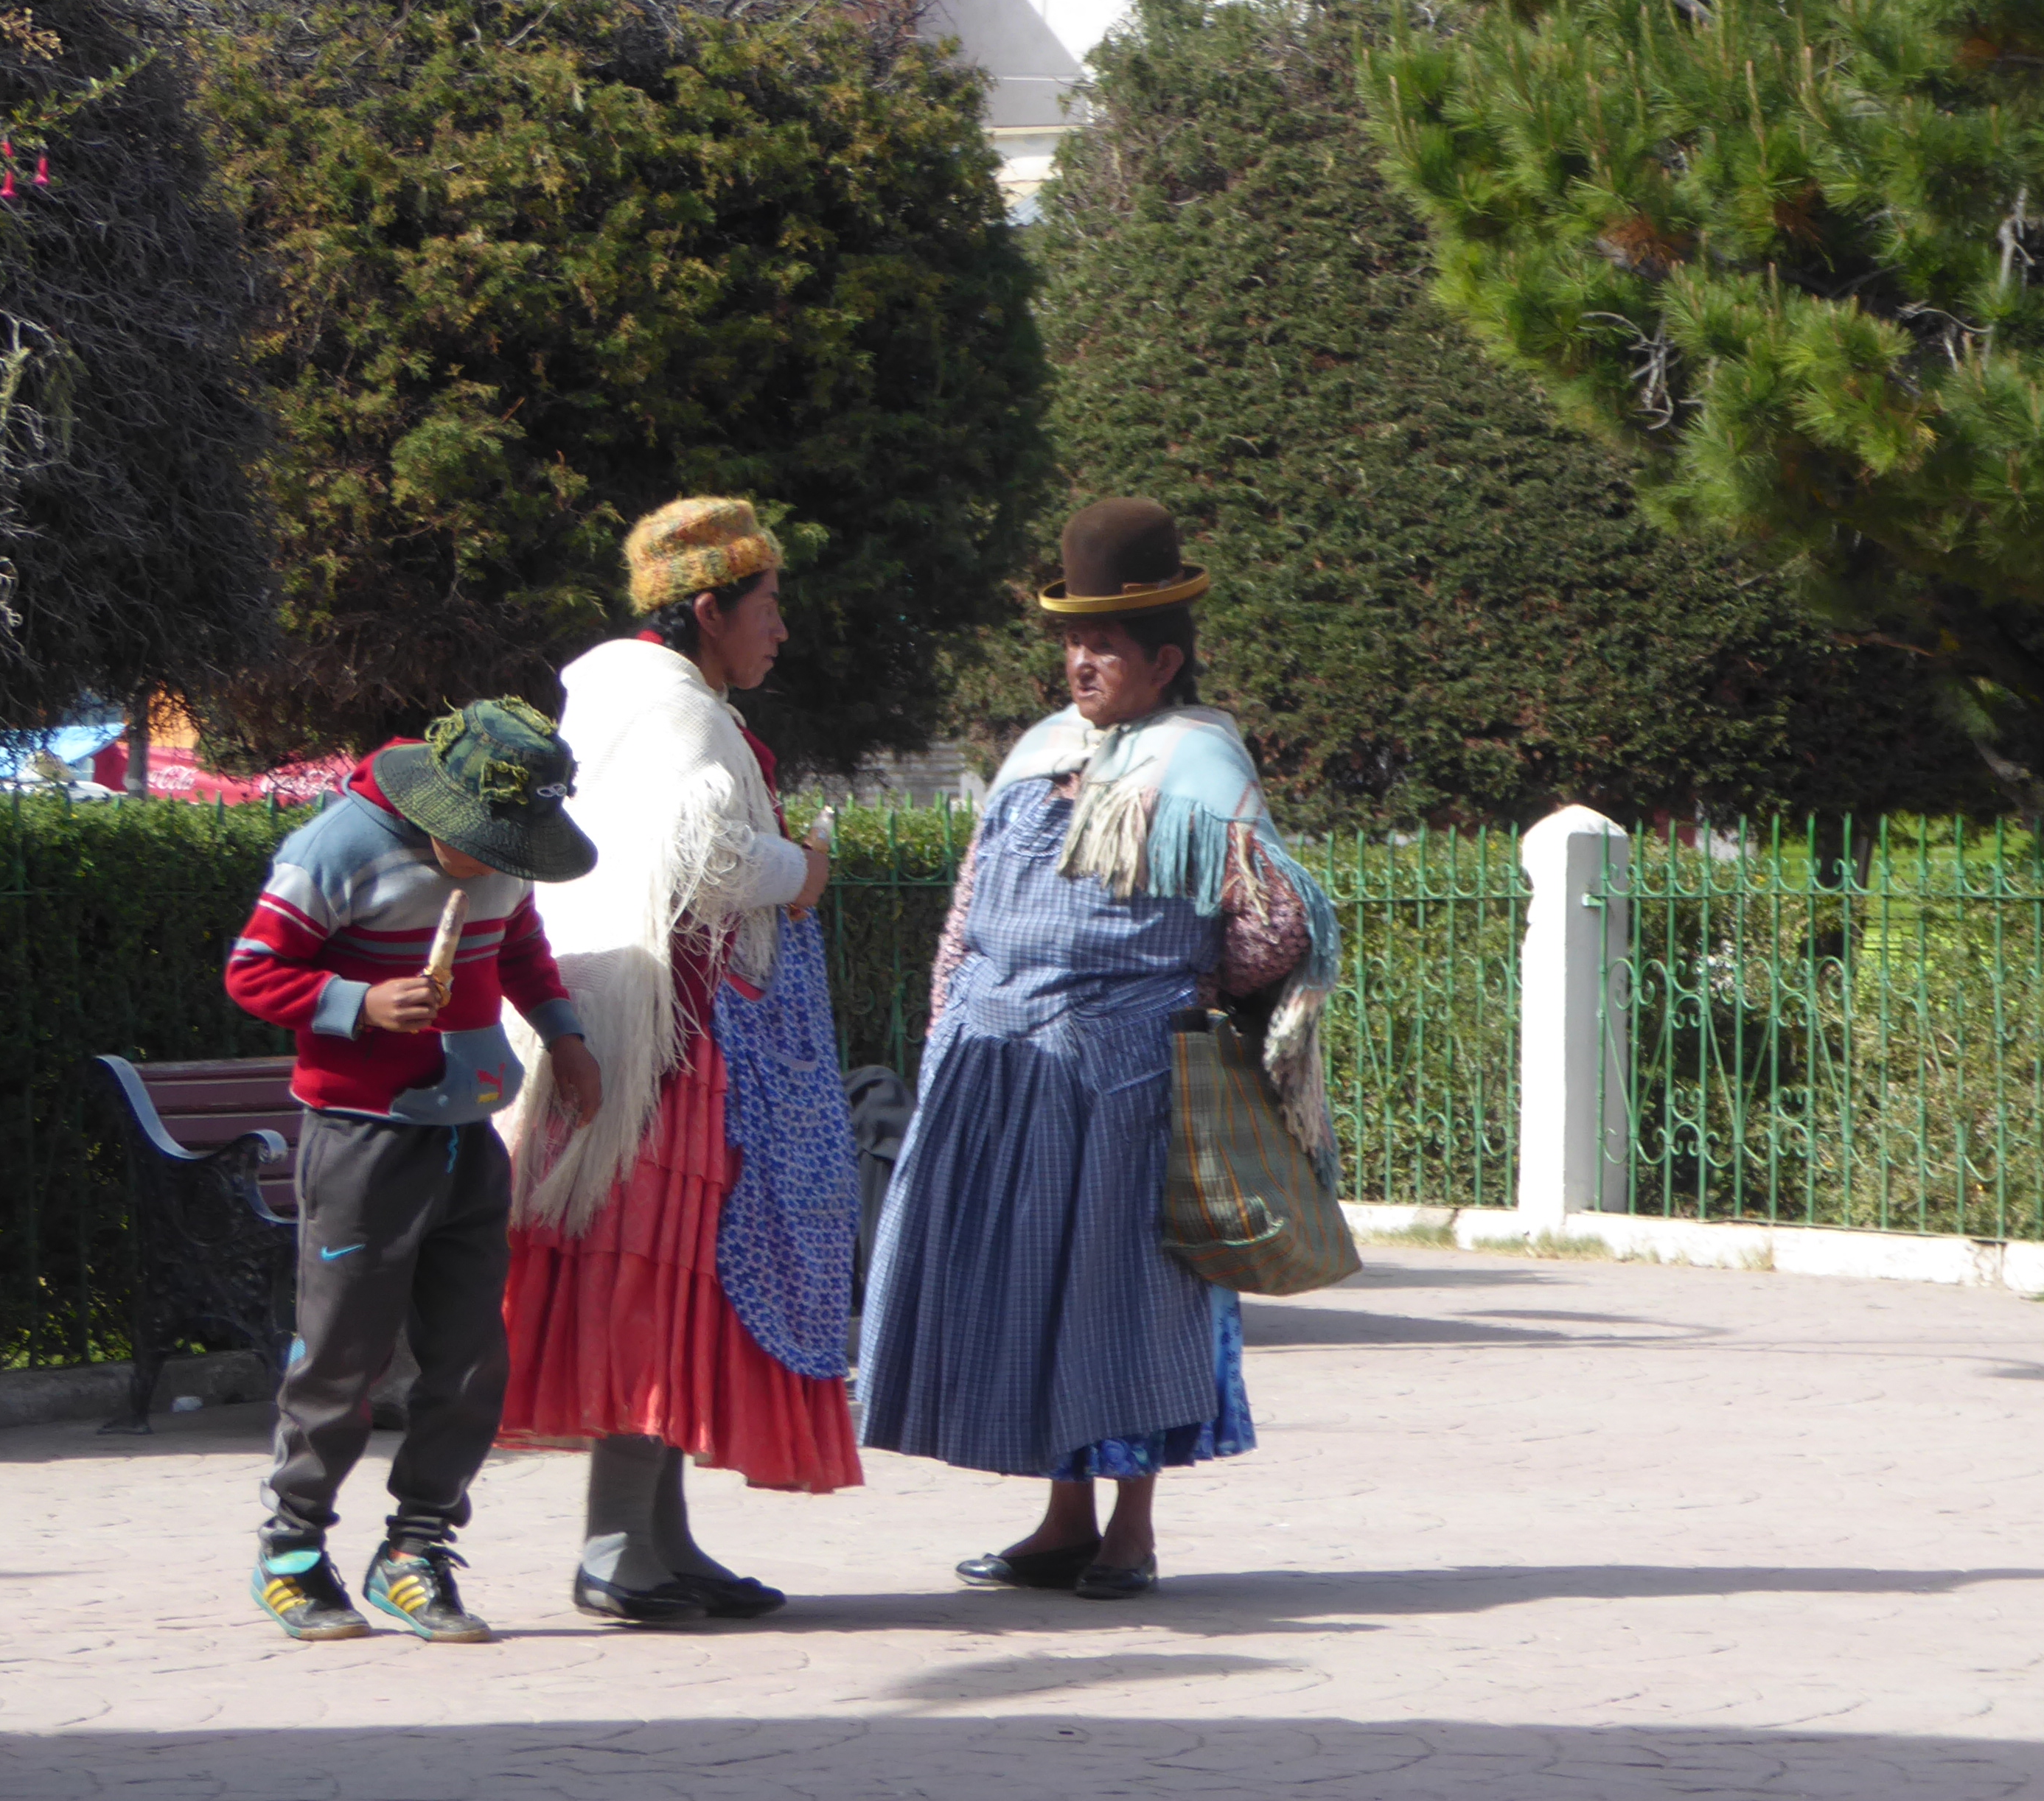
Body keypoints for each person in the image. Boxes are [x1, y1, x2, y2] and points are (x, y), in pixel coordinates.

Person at [857, 498, 1341, 1599]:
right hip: (999, 1065)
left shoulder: (1199, 766)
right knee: (1033, 1293)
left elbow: (1278, 924)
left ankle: (1131, 1530)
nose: (1080, 662)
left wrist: (1182, 985)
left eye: (1105, 646)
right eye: (1073, 642)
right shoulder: (1039, 754)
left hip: (1123, 1079)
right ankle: (1062, 1520)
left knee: (1123, 1303)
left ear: (1163, 660)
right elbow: (968, 908)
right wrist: (948, 1031)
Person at [499, 497, 864, 1624]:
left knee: (666, 1282)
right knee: (650, 1285)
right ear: (709, 610)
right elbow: (706, 858)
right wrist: (800, 871)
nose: (781, 629)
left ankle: (661, 1539)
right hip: (667, 1049)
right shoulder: (677, 713)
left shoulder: (622, 701)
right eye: (769, 605)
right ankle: (618, 1550)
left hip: (629, 1028)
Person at [225, 699, 605, 1643]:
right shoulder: (335, 849)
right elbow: (252, 971)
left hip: (467, 1130)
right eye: (484, 843)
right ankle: (291, 1551)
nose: (495, 863)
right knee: (341, 1354)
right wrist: (359, 1002)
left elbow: (519, 945)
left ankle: (416, 1551)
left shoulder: (504, 856)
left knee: (472, 1359)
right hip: (362, 1139)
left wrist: (565, 1035)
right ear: (439, 807)